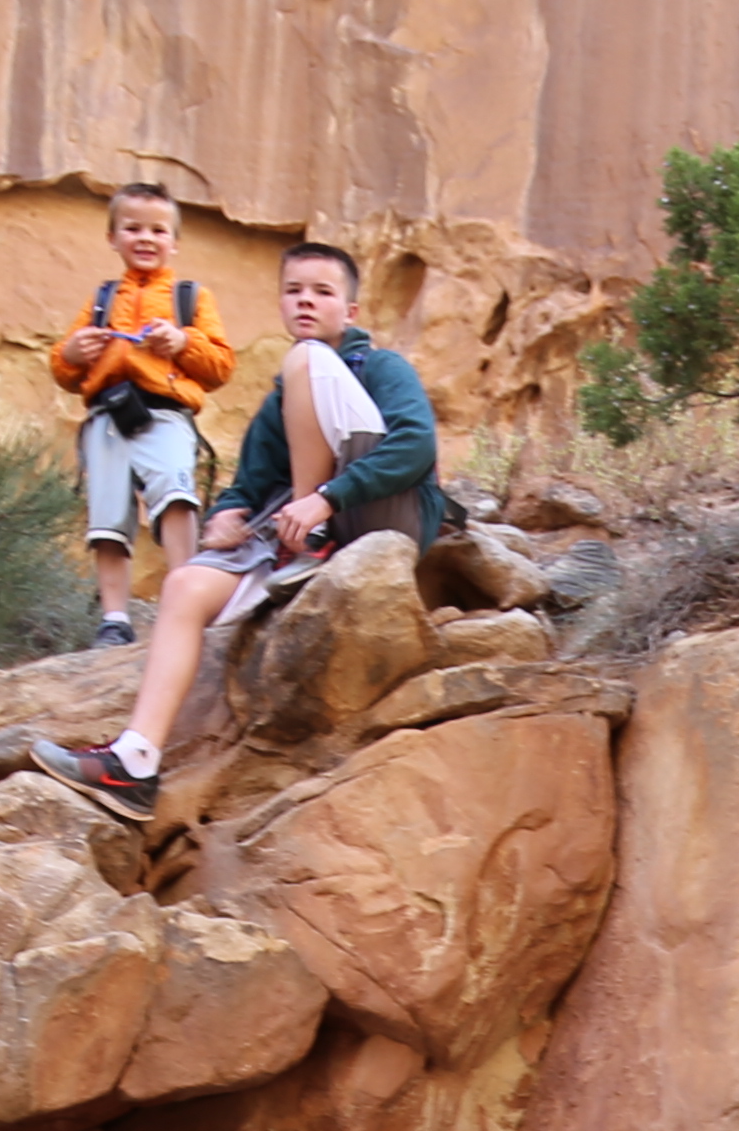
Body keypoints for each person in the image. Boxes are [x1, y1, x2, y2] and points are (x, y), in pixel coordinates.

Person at [33, 237, 457, 815]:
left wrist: (324, 501)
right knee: (184, 586)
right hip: (306, 529)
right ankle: (135, 763)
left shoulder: (380, 367)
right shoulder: (285, 394)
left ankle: (310, 542)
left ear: (351, 311)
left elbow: (414, 447)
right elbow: (250, 483)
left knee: (306, 359)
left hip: (385, 515)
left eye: (322, 292)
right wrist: (228, 514)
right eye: (293, 291)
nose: (305, 302)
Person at [49, 183, 236, 647]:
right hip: (108, 417)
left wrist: (182, 342)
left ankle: (185, 594)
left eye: (158, 229)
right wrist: (73, 352)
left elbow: (220, 366)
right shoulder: (102, 298)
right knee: (107, 517)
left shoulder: (190, 298)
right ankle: (115, 618)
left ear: (175, 241)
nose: (146, 238)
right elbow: (64, 369)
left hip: (164, 411)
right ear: (112, 237)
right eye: (132, 228)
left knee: (175, 493)